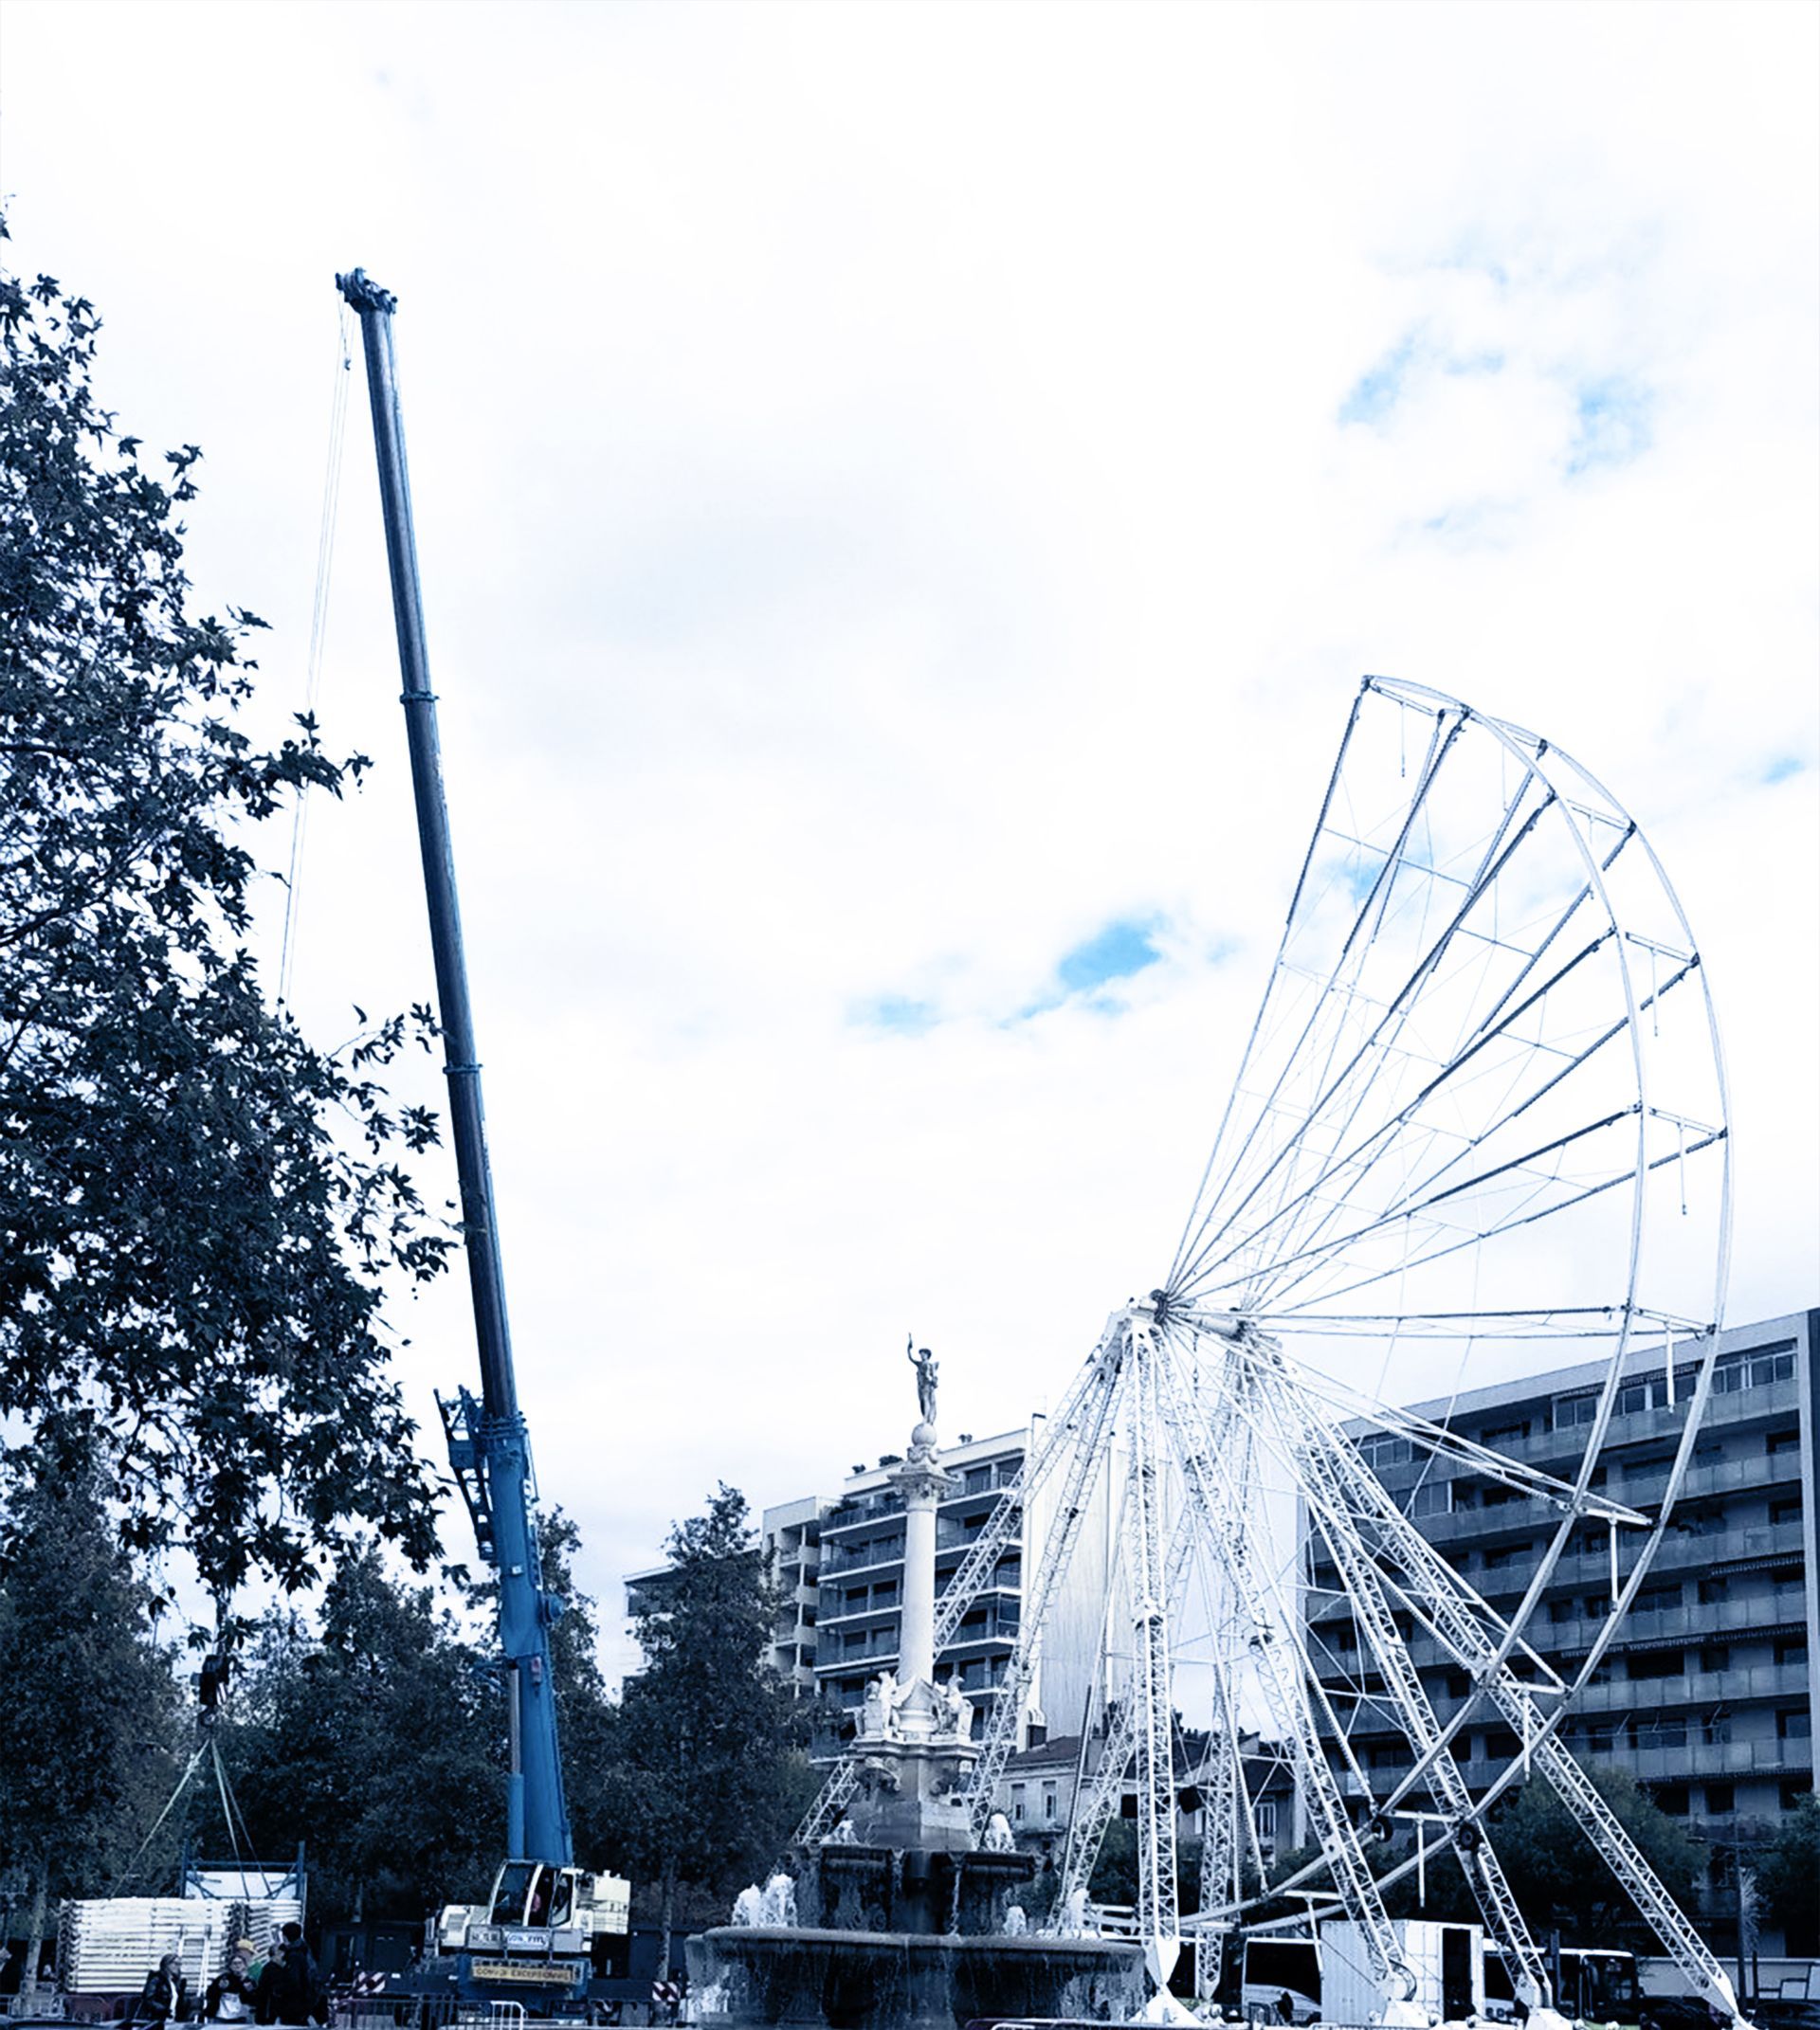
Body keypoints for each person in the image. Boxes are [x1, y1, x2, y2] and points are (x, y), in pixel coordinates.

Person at [135, 1952, 189, 2026]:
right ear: (167, 1964)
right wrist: (164, 2010)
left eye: (179, 1964)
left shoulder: (175, 1983)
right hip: (154, 2020)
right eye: (176, 1964)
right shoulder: (156, 1980)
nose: (178, 1967)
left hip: (170, 2021)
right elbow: (149, 1999)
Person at [205, 1952, 255, 2022]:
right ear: (230, 1966)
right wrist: (218, 1988)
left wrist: (248, 1989)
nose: (237, 1966)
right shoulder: (223, 1979)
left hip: (240, 2016)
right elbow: (209, 1994)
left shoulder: (248, 1980)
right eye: (235, 1963)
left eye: (240, 1963)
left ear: (244, 1965)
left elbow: (254, 1999)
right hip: (222, 2016)